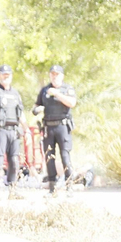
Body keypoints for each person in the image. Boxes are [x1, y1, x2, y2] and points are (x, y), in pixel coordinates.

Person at [0, 65, 26, 201]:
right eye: (3, 75)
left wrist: (27, 130)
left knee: (14, 161)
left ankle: (13, 190)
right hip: (0, 131)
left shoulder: (15, 94)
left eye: (8, 75)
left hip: (14, 131)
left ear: (11, 76)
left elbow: (21, 114)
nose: (5, 77)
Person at [33, 65, 77, 194]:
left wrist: (57, 93)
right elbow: (36, 106)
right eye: (52, 74)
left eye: (57, 74)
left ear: (62, 76)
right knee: (49, 157)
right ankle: (52, 187)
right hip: (48, 127)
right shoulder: (44, 90)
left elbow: (72, 103)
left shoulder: (67, 89)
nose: (54, 76)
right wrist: (37, 109)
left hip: (62, 126)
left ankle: (69, 185)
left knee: (65, 156)